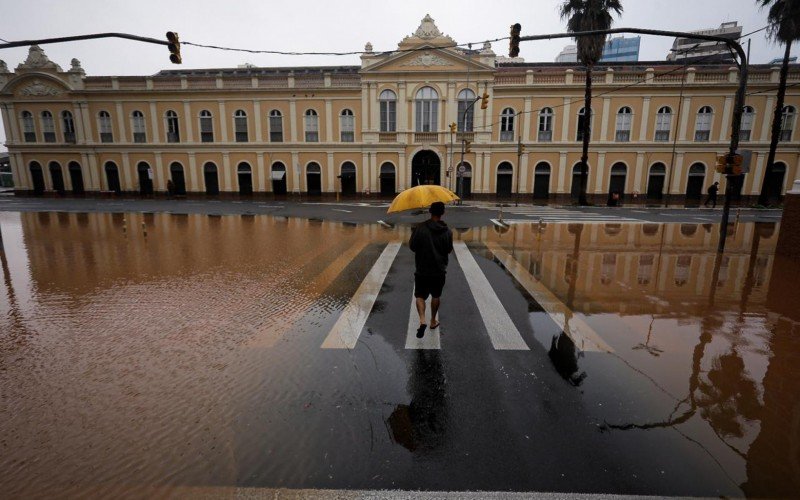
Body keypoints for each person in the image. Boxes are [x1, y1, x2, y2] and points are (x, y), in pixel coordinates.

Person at [409, 201, 453, 339]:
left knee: (420, 296)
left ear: (430, 211)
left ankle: (422, 320)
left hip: (422, 269)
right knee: (436, 295)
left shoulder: (420, 228)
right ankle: (433, 320)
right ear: (442, 213)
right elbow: (448, 250)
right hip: (439, 270)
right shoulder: (447, 231)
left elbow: (412, 247)